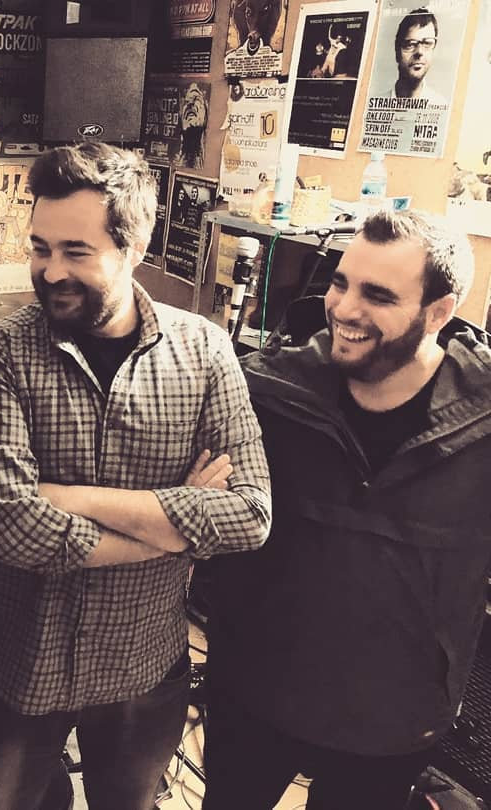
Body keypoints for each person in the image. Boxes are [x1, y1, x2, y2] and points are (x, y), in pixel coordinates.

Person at [0, 142, 272, 810]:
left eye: (76, 251)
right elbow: (15, 532)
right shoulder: (0, 351)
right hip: (20, 666)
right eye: (41, 248)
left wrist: (69, 497)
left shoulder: (204, 350)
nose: (50, 271)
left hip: (142, 666)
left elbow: (250, 514)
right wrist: (177, 531)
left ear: (136, 247)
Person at [204, 210, 488, 810]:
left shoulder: (483, 423)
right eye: (340, 282)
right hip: (256, 697)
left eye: (377, 295)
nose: (344, 309)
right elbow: (205, 519)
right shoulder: (266, 392)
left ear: (439, 312)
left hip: (394, 721)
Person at [390, 7, 445, 103]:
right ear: (397, 50)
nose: (419, 52)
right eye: (410, 44)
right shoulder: (371, 102)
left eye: (427, 43)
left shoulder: (440, 103)